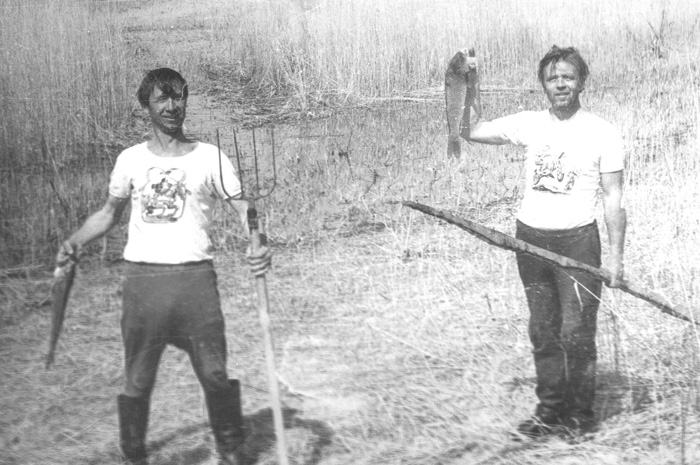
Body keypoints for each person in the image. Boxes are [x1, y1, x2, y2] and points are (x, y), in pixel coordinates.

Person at [55, 68, 272, 465]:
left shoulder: (210, 157)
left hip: (195, 282)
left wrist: (258, 242)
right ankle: (133, 453)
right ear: (147, 106)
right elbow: (108, 214)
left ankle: (232, 451)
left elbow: (243, 207)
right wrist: (73, 242)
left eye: (178, 97)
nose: (172, 106)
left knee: (215, 374)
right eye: (162, 99)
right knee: (137, 380)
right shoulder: (131, 160)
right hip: (143, 284)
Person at [466, 46, 626, 439]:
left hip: (578, 243)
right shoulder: (530, 123)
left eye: (568, 77)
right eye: (553, 78)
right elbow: (471, 130)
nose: (561, 84)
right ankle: (549, 411)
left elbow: (613, 198)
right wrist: (467, 83)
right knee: (543, 329)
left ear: (581, 82)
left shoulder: (603, 132)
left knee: (576, 331)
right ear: (543, 84)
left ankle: (580, 415)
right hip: (531, 241)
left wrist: (616, 259)